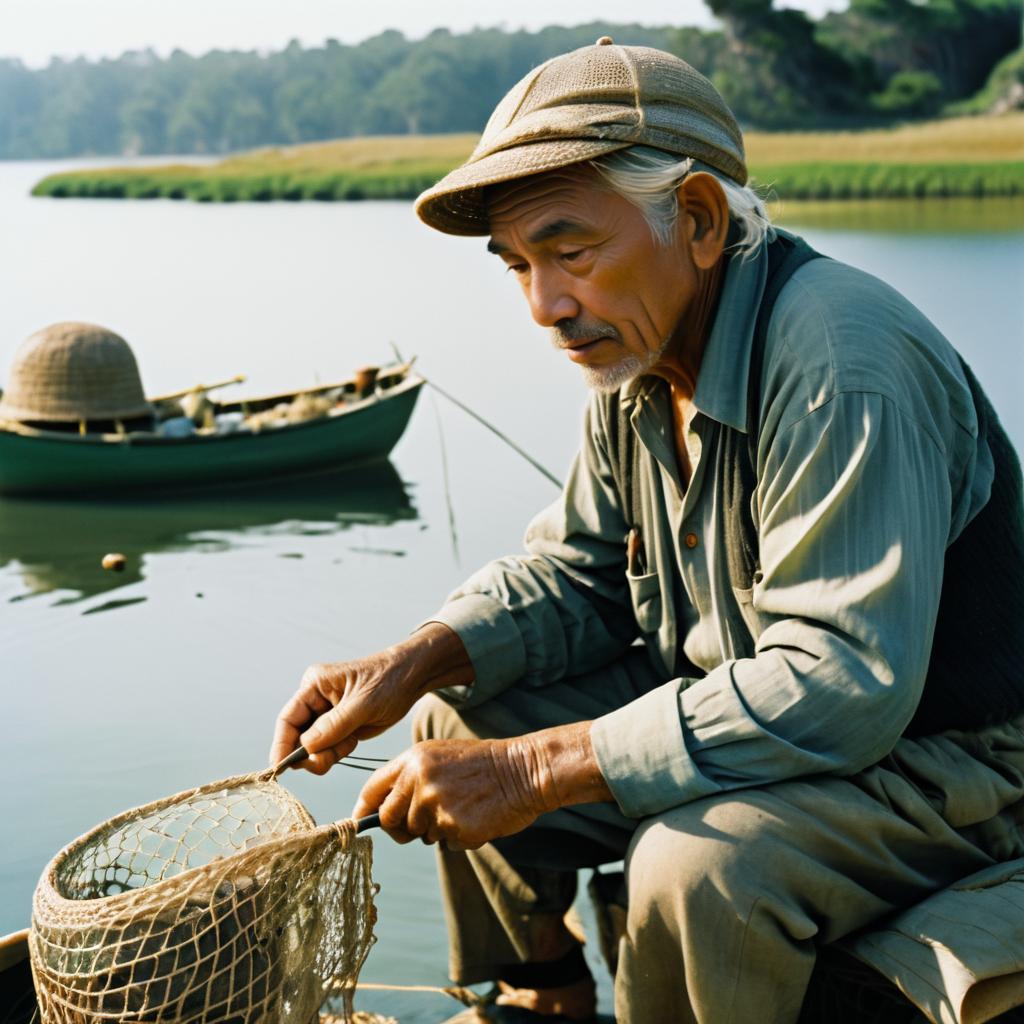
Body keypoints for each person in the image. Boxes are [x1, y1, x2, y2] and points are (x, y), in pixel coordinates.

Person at [270, 39, 1024, 1024]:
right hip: (761, 709)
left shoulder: (842, 358)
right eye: (519, 266)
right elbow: (577, 572)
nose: (545, 305)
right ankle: (543, 988)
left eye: (571, 252)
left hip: (956, 763)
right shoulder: (636, 358)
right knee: (455, 718)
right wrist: (418, 656)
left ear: (700, 220)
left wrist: (536, 769)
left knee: (694, 865)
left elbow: (842, 683)